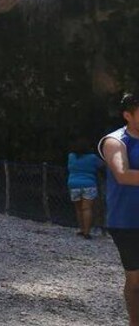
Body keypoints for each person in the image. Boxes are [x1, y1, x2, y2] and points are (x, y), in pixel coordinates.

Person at [98, 92, 139, 326]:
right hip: (126, 221)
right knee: (135, 281)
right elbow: (122, 174)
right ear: (128, 115)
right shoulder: (115, 141)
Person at [67, 136, 104, 239]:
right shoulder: (92, 158)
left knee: (78, 209)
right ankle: (87, 232)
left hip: (73, 183)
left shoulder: (71, 156)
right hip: (89, 184)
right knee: (86, 208)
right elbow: (103, 165)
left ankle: (81, 229)